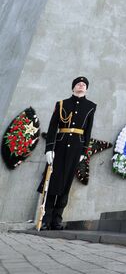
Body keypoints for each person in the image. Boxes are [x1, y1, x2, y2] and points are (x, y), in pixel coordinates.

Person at [39, 77, 96, 230]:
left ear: (87, 89)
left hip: (76, 148)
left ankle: (57, 220)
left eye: (84, 84)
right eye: (78, 84)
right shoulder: (62, 104)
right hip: (60, 146)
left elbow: (88, 131)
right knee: (53, 183)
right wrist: (49, 148)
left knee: (66, 184)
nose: (81, 85)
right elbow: (52, 127)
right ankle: (46, 219)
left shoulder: (91, 107)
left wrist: (84, 150)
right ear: (73, 88)